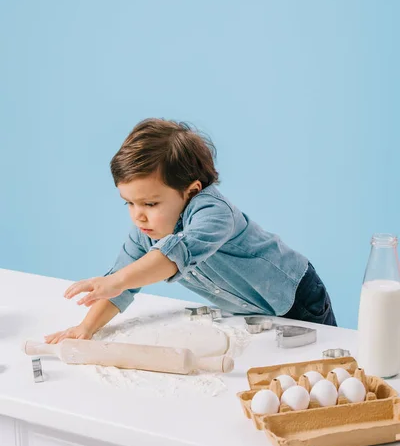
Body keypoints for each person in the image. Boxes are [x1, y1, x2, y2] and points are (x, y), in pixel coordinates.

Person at [45, 118, 336, 344]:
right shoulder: (146, 232)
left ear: (191, 190)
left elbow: (173, 256)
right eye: (129, 203)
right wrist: (85, 328)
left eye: (150, 202)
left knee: (327, 364)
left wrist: (117, 281)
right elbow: (120, 286)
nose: (138, 215)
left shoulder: (213, 212)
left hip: (297, 296)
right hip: (254, 312)